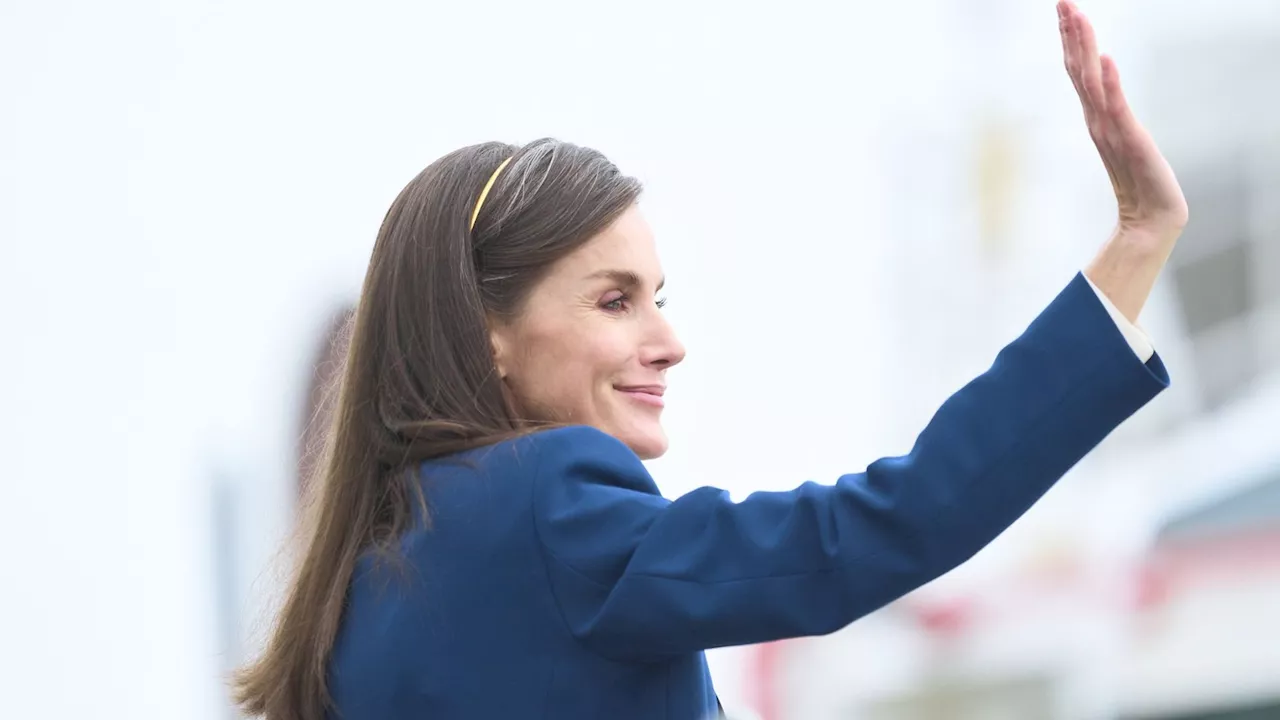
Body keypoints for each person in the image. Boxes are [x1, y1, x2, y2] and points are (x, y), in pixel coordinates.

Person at [232, 2, 1188, 718]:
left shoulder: (363, 589)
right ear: (489, 333)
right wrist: (1135, 245)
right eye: (615, 300)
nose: (669, 342)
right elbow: (878, 529)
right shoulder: (549, 502)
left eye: (660, 298)